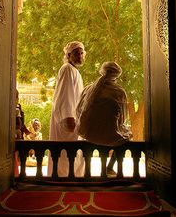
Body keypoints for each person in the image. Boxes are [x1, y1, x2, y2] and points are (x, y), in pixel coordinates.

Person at [75, 61, 132, 176]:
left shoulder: (88, 89)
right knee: (127, 135)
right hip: (109, 135)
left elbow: (78, 111)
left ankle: (87, 171)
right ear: (116, 75)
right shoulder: (119, 92)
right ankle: (109, 167)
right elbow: (123, 118)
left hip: (88, 133)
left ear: (102, 71)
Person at [47, 41, 86, 177]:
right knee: (65, 155)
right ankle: (63, 182)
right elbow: (65, 96)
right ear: (69, 55)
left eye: (82, 53)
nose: (80, 56)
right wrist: (69, 118)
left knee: (74, 156)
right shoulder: (67, 69)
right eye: (76, 53)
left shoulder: (74, 71)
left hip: (73, 119)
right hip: (67, 121)